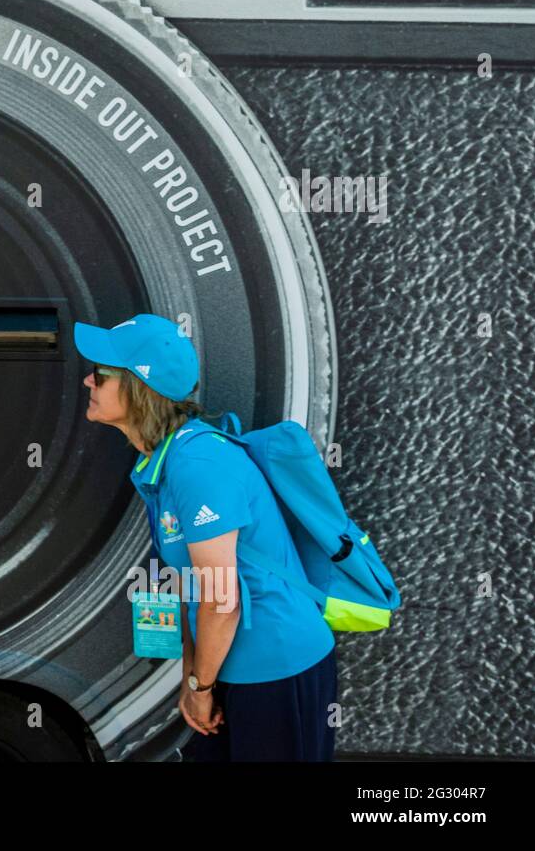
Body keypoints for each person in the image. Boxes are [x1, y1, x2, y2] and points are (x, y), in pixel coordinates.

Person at [74, 313, 337, 761]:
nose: (86, 381)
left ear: (140, 388)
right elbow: (197, 592)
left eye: (101, 374)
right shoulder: (162, 462)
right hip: (228, 668)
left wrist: (200, 686)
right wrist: (193, 680)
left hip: (276, 668)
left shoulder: (197, 465)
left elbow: (221, 600)